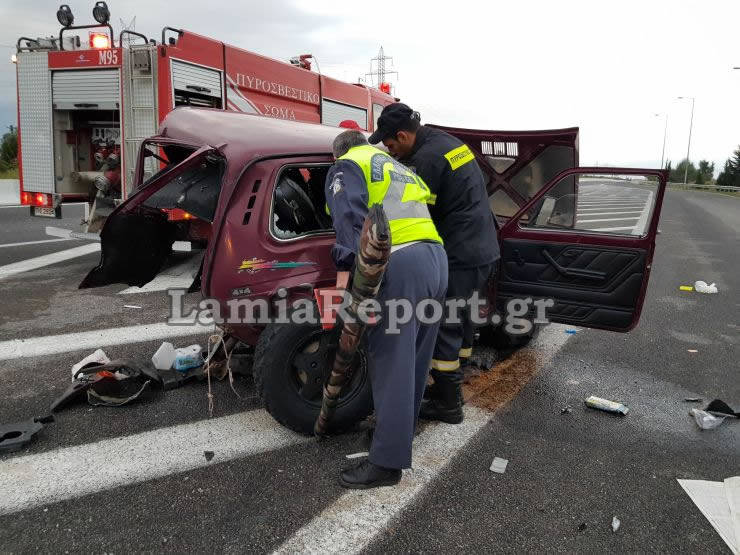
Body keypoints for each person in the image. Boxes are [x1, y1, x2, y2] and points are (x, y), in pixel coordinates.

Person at [325, 129, 447, 489]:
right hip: (435, 258)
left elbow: (351, 222)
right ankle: (393, 438)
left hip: (401, 264)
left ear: (338, 154)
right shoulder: (394, 164)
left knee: (391, 362)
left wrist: (344, 285)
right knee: (412, 361)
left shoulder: (346, 165)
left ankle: (386, 464)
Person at [369, 103, 500, 425]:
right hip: (482, 250)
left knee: (444, 325)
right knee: (463, 319)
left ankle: (448, 403)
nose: (391, 152)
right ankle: (452, 383)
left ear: (403, 135)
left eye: (390, 145)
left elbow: (410, 211)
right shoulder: (447, 142)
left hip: (458, 254)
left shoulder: (424, 160)